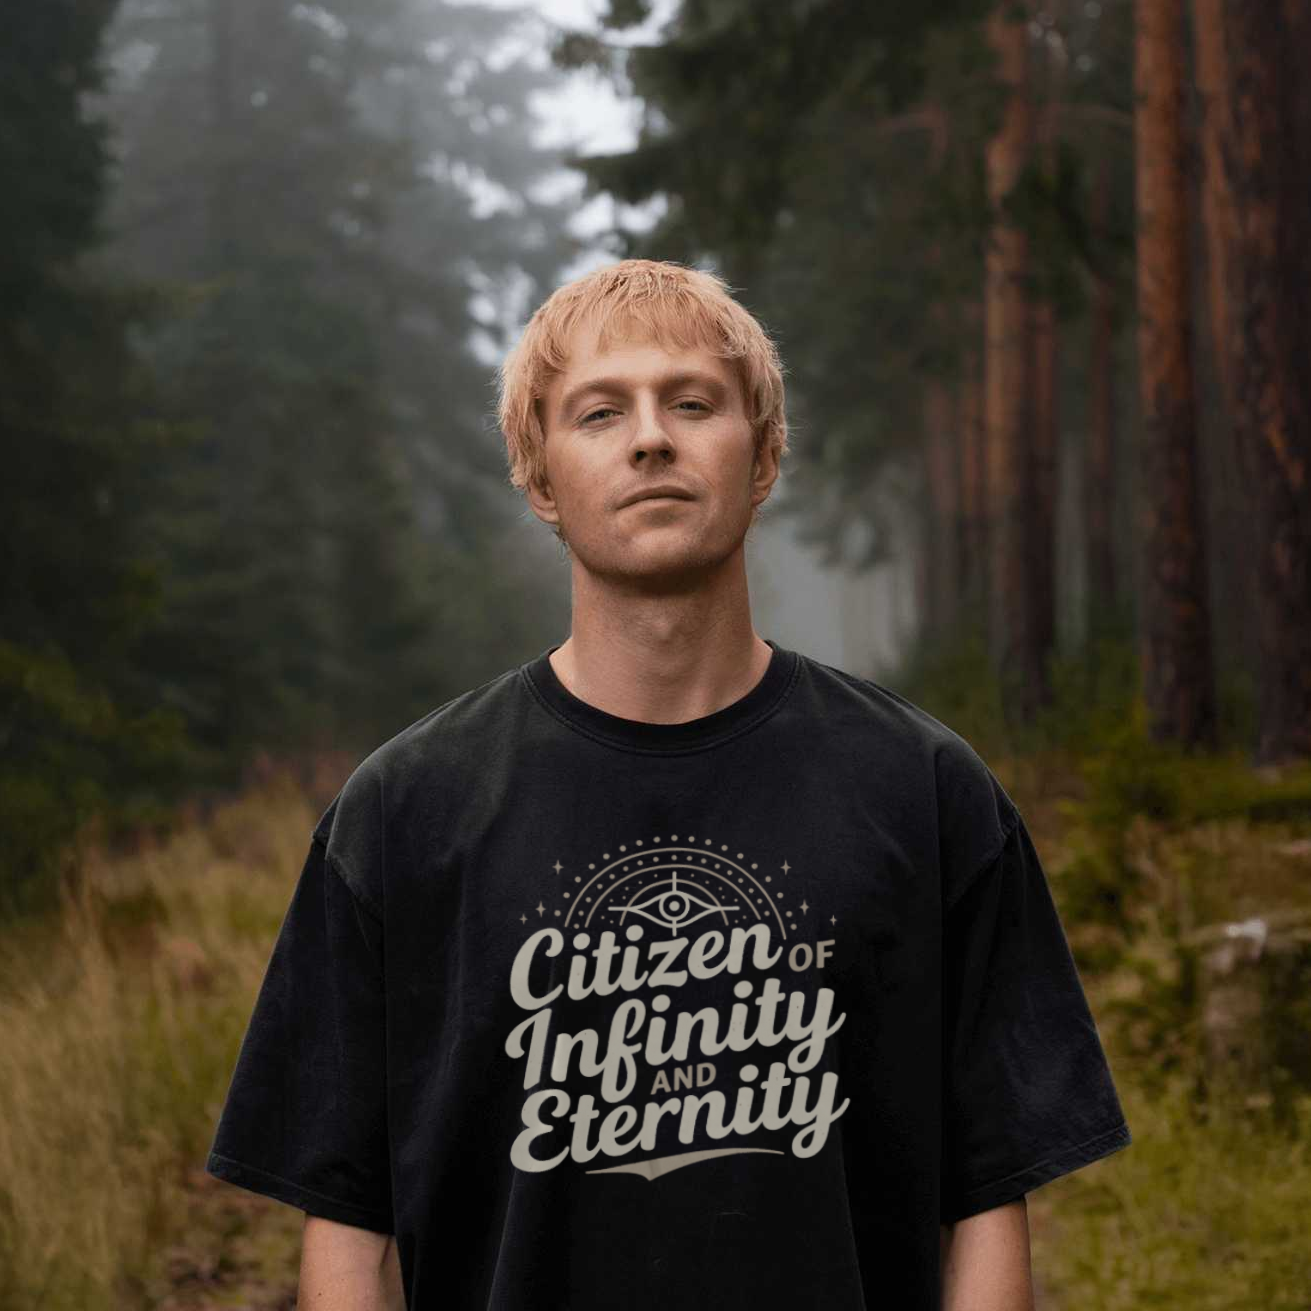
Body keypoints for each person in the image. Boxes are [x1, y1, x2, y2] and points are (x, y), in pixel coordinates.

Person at [207, 259, 1131, 1310]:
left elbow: (986, 1199)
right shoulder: (401, 814)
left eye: (692, 403)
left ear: (764, 454)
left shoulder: (925, 791)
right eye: (600, 413)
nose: (652, 437)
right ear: (541, 476)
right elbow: (351, 1227)